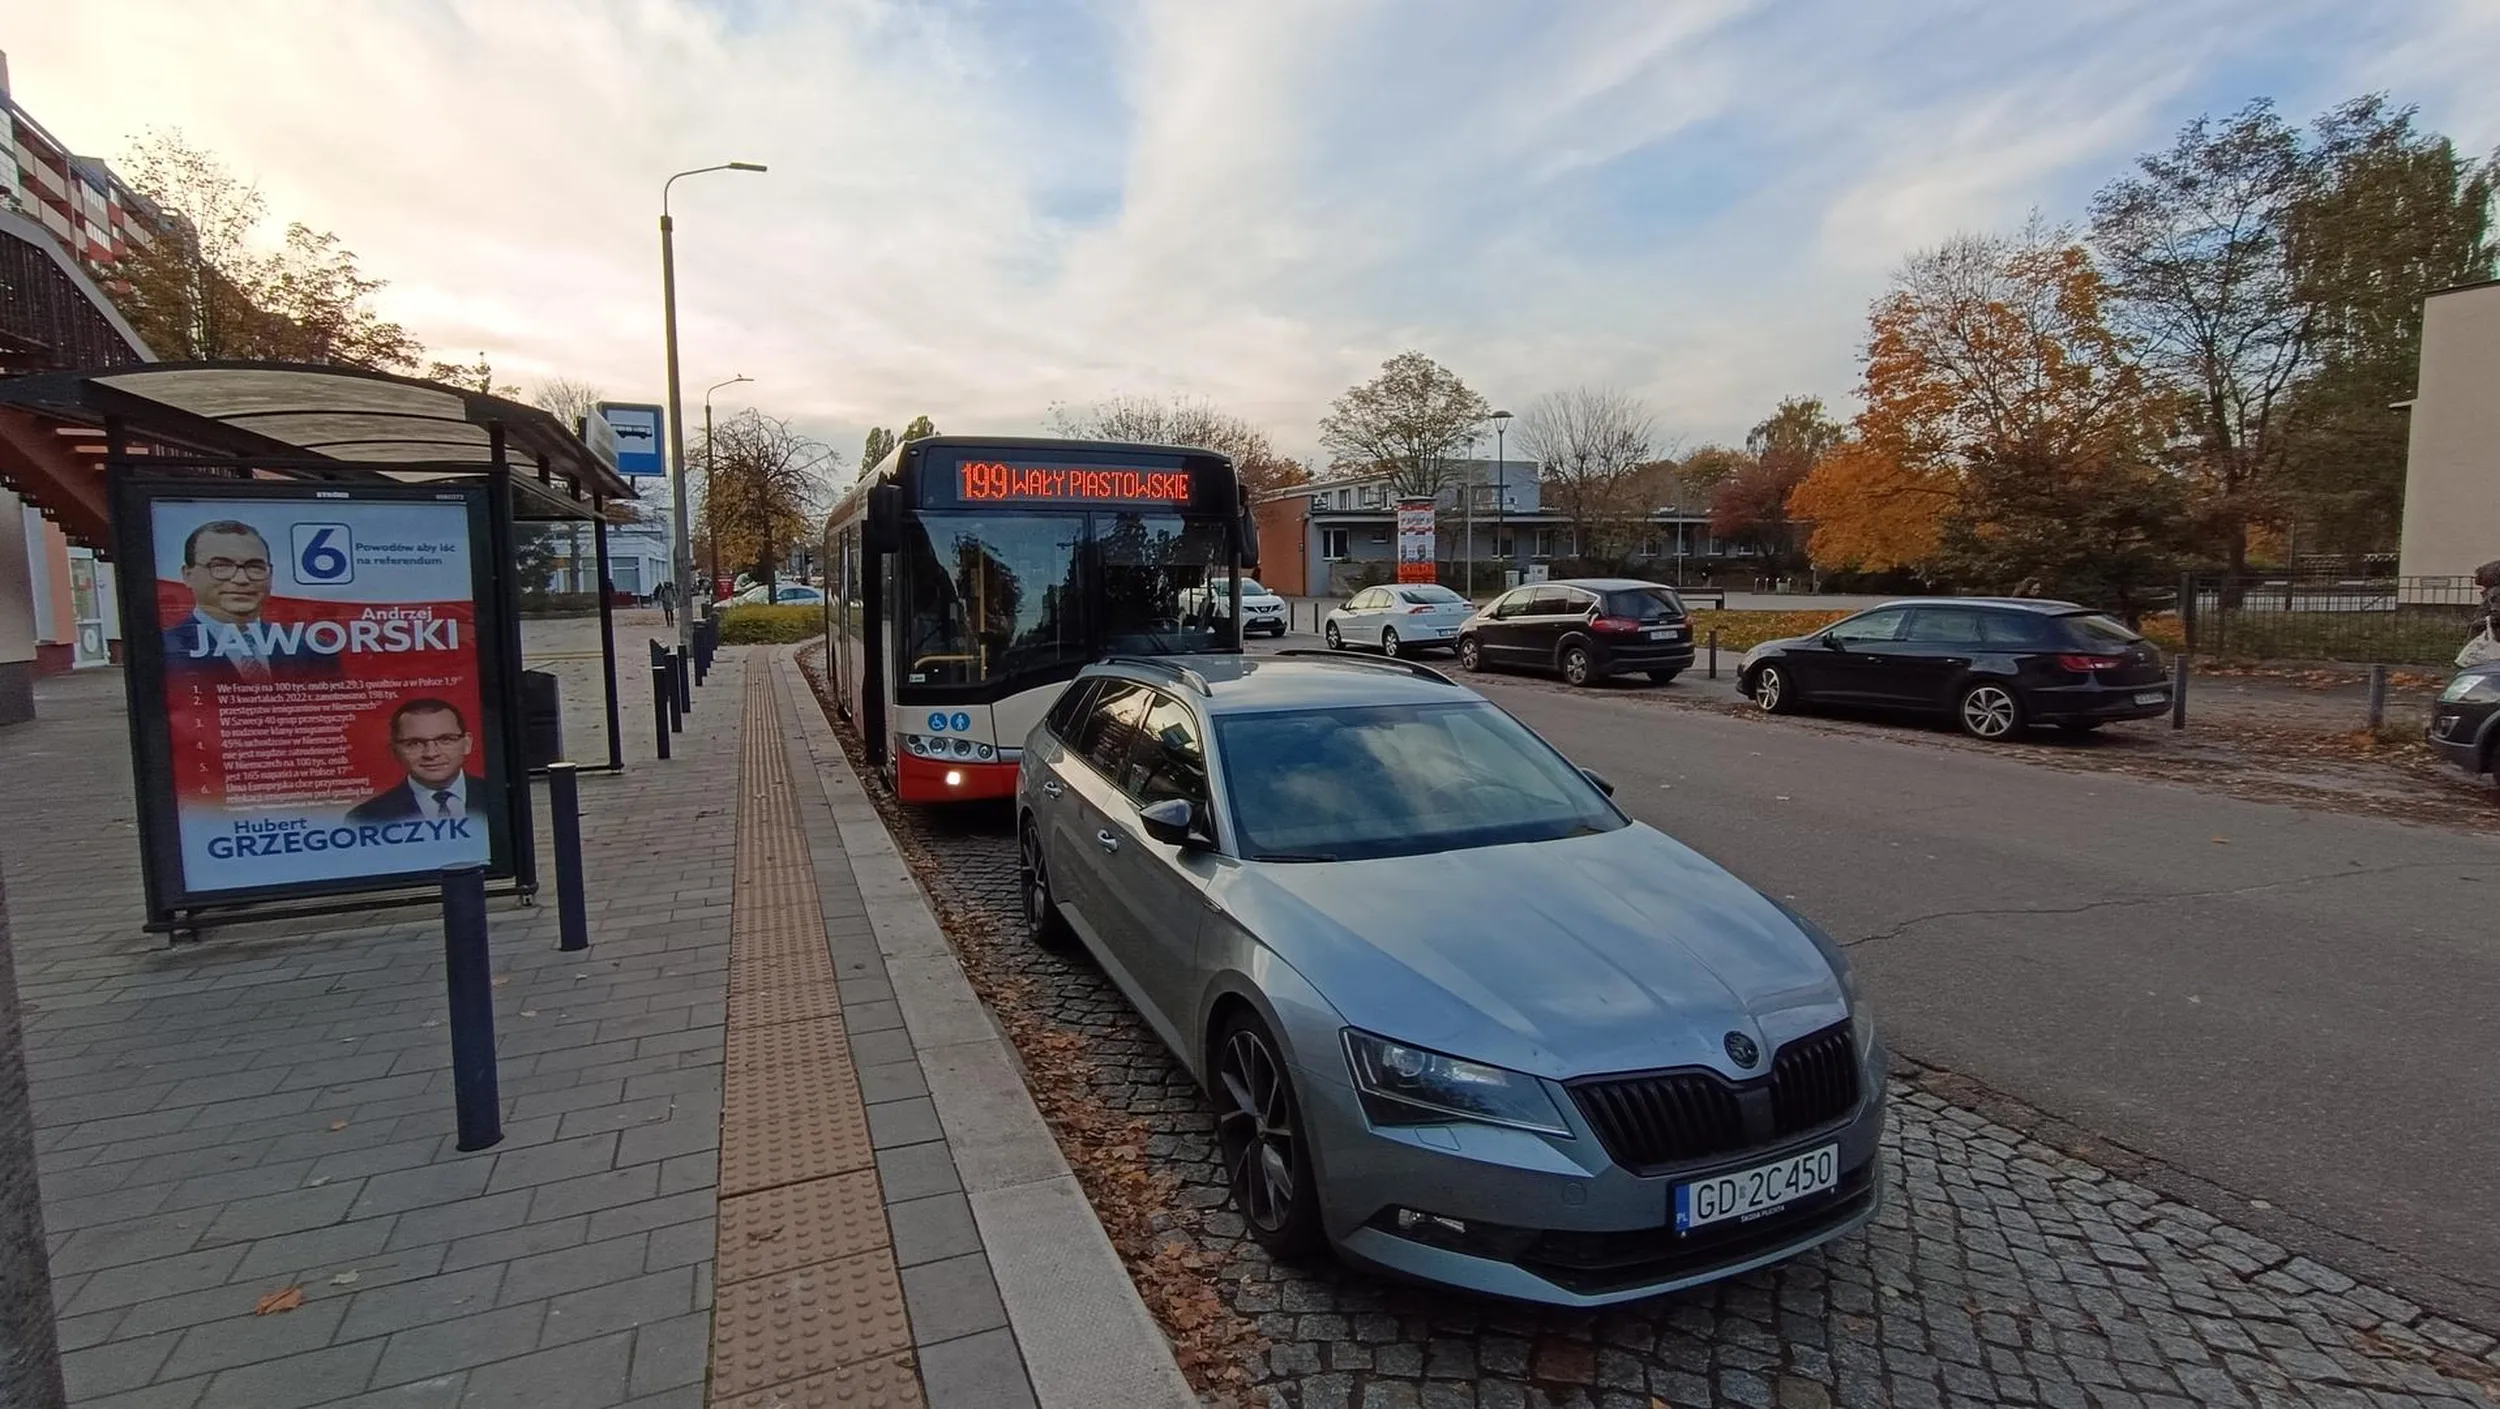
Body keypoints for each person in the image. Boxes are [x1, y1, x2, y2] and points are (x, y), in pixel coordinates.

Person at [163, 519, 336, 681]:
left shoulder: (315, 649)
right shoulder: (164, 649)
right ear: (188, 575)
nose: (241, 579)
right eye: (221, 566)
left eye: (255, 567)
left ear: (271, 574)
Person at [348, 698, 487, 824]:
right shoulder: (365, 817)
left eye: (445, 739)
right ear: (395, 751)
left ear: (467, 744)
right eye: (414, 743)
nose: (431, 754)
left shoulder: (496, 794)